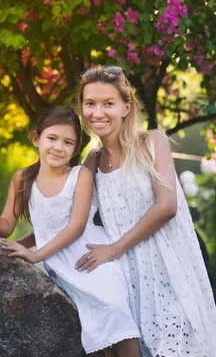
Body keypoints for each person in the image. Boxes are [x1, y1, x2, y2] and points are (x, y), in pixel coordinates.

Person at [0, 106, 141, 357]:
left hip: (88, 258)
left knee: (114, 312)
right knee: (95, 337)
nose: (58, 147)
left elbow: (76, 227)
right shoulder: (23, 179)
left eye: (68, 143)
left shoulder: (81, 175)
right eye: (52, 139)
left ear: (76, 149)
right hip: (58, 263)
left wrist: (35, 255)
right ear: (37, 138)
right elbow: (7, 227)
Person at [75, 65, 216, 357]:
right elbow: (69, 212)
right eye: (90, 103)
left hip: (169, 268)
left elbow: (166, 206)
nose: (97, 112)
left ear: (126, 107)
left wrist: (113, 249)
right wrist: (16, 236)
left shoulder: (153, 141)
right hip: (130, 277)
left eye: (108, 103)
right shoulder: (93, 159)